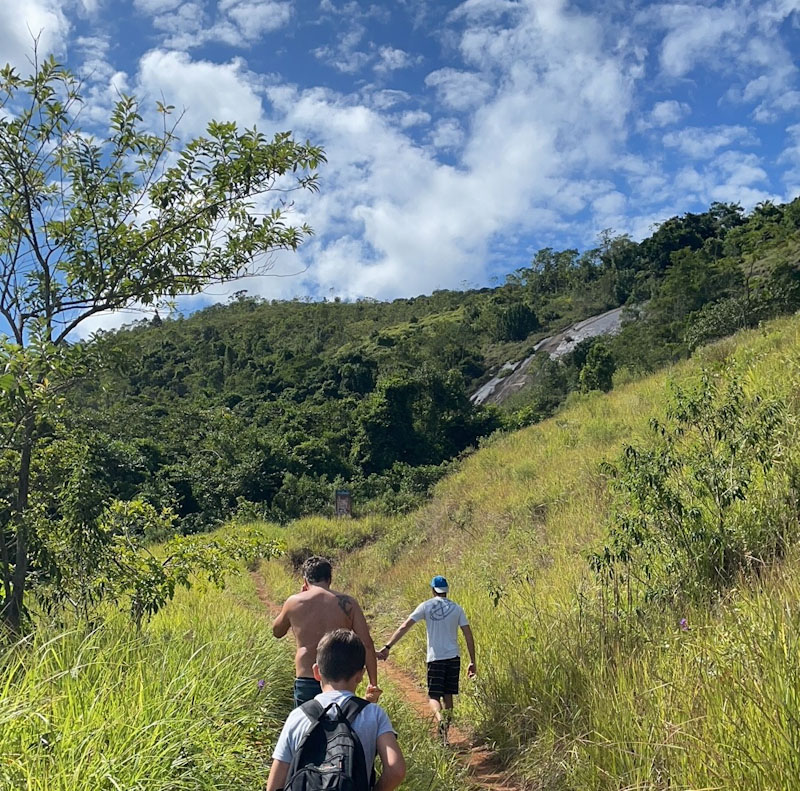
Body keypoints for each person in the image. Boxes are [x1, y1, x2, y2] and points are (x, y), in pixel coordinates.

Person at [266, 629, 406, 791]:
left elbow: (274, 784)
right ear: (360, 675)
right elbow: (396, 770)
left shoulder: (298, 716)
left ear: (317, 672)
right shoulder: (373, 714)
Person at [273, 556, 381, 707]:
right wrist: (373, 682)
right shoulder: (349, 603)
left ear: (305, 580)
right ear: (329, 579)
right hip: (340, 679)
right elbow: (367, 644)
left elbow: (277, 631)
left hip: (307, 676)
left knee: (309, 727)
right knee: (340, 726)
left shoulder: (294, 602)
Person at [376, 575, 475, 740]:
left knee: (434, 696)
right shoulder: (457, 608)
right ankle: (443, 736)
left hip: (435, 658)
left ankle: (440, 718)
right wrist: (472, 661)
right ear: (446, 591)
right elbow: (468, 635)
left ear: (432, 589)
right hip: (453, 658)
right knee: (448, 695)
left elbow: (404, 626)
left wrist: (388, 647)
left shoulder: (426, 606)